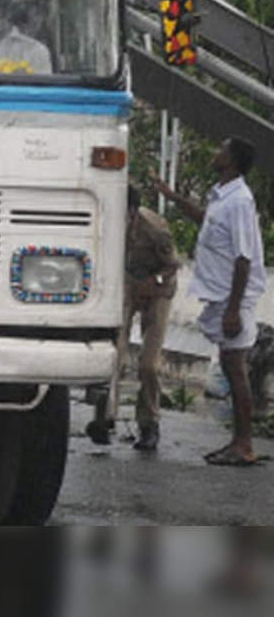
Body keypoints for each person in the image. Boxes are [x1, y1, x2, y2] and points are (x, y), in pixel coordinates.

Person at [156, 136, 267, 466]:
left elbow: (244, 259)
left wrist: (234, 309)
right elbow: (207, 221)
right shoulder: (223, 197)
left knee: (236, 370)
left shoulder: (240, 202)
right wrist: (173, 197)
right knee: (233, 369)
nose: (214, 153)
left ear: (231, 161)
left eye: (221, 149)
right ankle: (238, 441)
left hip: (234, 300)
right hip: (222, 298)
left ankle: (244, 444)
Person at [117, 184, 180, 451]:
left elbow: (172, 265)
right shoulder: (105, 220)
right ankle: (104, 415)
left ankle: (149, 423)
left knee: (149, 365)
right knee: (113, 354)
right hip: (128, 282)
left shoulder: (154, 229)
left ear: (132, 211)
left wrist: (152, 282)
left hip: (159, 287)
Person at [0, 3, 53, 75]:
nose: (38, 19)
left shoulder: (41, 49)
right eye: (36, 14)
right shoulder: (5, 44)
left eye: (39, 15)